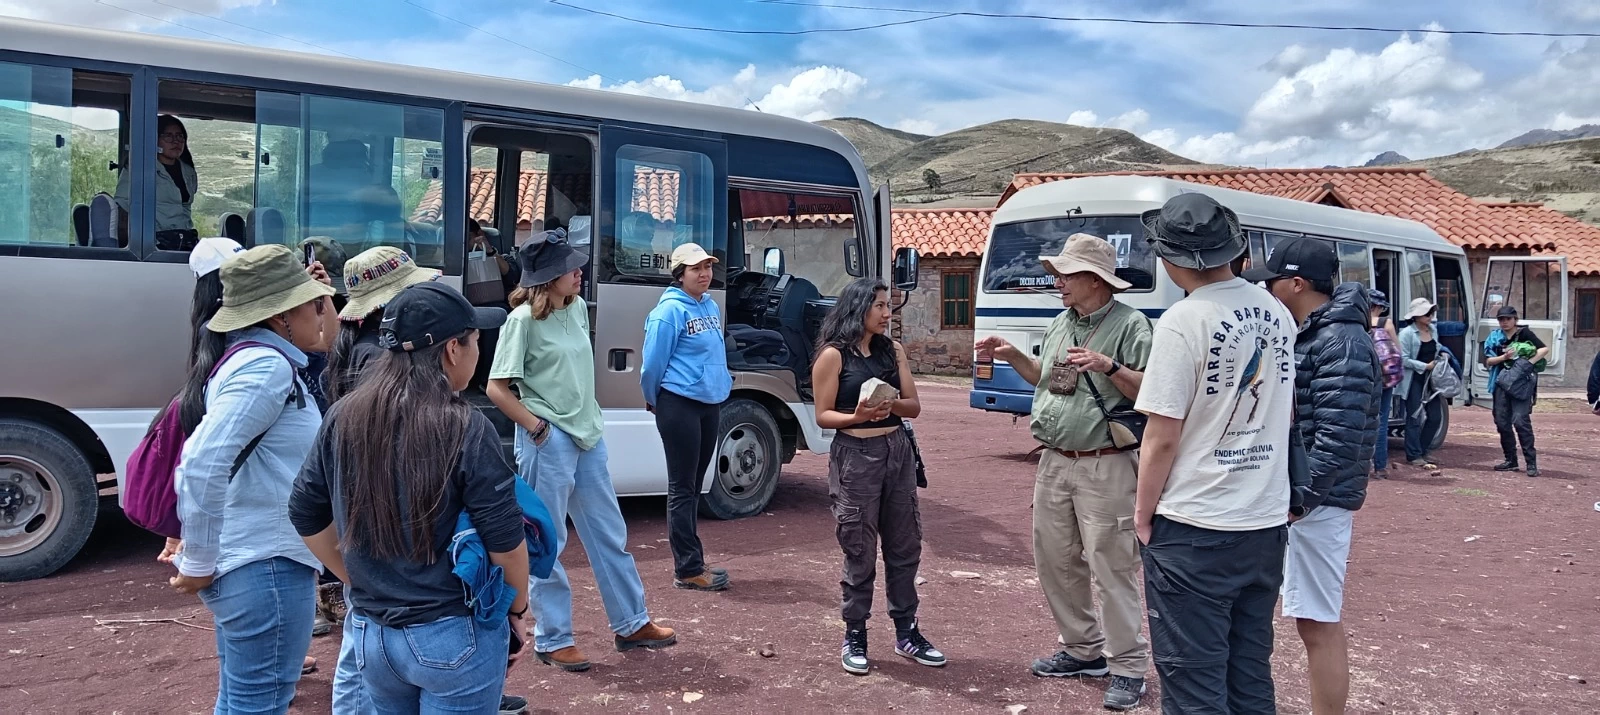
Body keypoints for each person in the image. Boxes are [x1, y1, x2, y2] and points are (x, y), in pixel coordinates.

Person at [289, 282, 531, 712]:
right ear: (453, 349)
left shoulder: (344, 414)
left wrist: (355, 577)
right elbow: (506, 541)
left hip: (373, 635)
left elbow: (304, 510)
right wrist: (515, 609)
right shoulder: (466, 426)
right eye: (476, 341)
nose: (479, 351)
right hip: (451, 634)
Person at [1132, 193, 1297, 714]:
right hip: (1264, 521)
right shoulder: (1275, 310)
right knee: (1249, 670)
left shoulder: (1184, 321)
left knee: (1193, 680)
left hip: (1196, 522)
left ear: (1170, 258)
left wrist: (1142, 513)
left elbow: (1162, 433)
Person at [975, 234, 1152, 710]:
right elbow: (1048, 378)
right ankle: (1082, 650)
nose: (1057, 282)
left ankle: (1128, 666)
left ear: (1095, 280)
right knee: (1055, 560)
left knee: (1111, 566)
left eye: (1065, 274)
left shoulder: (1131, 326)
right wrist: (1011, 354)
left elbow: (1151, 394)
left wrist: (1109, 365)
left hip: (1105, 465)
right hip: (1054, 460)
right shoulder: (1061, 322)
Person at [487, 235, 676, 673]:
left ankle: (631, 623)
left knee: (608, 531)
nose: (580, 272)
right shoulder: (520, 322)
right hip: (548, 440)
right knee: (547, 542)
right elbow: (497, 387)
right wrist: (537, 428)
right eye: (571, 268)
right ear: (548, 277)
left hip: (586, 437)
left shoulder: (573, 307)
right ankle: (553, 639)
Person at [168, 244, 335, 713]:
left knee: (244, 702)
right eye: (313, 301)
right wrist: (197, 559)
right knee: (257, 705)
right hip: (266, 565)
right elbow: (201, 462)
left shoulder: (256, 358)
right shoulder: (265, 367)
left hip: (256, 562)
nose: (320, 311)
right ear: (284, 314)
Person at [1245, 237, 1381, 715]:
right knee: (1310, 619)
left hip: (1319, 503)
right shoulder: (1320, 333)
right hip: (1309, 497)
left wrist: (1299, 500)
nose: (1267, 290)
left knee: (1318, 621)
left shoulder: (1340, 341)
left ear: (1297, 283)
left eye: (1273, 281)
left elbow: (1338, 440)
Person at [812, 277, 944, 676]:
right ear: (859, 309)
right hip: (855, 455)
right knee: (859, 548)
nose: (888, 313)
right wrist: (857, 416)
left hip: (896, 452)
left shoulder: (893, 351)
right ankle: (855, 634)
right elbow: (823, 415)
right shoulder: (833, 356)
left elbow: (914, 407)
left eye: (889, 306)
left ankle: (907, 631)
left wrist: (890, 407)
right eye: (881, 306)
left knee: (905, 546)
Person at [641, 242, 733, 592]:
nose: (705, 273)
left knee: (694, 486)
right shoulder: (668, 312)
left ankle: (693, 561)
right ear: (680, 274)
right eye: (697, 268)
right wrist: (654, 400)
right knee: (682, 488)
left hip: (708, 403)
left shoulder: (709, 306)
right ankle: (688, 568)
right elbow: (652, 365)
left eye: (708, 267)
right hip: (678, 404)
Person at [114, 114, 199, 251]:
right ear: (155, 139)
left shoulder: (189, 172)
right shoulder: (139, 169)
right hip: (153, 244)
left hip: (184, 240)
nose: (175, 141)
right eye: (168, 136)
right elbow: (123, 207)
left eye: (179, 136)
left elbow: (185, 210)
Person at [1483, 306, 1550, 476]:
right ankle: (1511, 460)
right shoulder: (1494, 338)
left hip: (1521, 384)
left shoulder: (1525, 334)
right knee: (1502, 421)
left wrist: (1527, 364)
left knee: (1521, 421)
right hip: (1500, 382)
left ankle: (1531, 463)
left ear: (1515, 319)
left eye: (1508, 319)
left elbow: (1544, 349)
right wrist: (1504, 358)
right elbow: (1488, 361)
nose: (1504, 322)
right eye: (1501, 319)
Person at [1398, 298, 1444, 467]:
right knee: (1414, 417)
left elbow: (1436, 348)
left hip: (1431, 379)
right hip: (1413, 379)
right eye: (1426, 313)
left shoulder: (1433, 330)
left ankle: (1422, 449)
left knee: (1435, 417)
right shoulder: (1407, 334)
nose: (1429, 316)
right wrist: (1425, 366)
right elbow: (1402, 359)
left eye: (1431, 312)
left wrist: (1440, 359)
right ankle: (1413, 454)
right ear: (1416, 316)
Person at [1367, 290, 1403, 480]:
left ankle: (1364, 464)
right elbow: (1398, 352)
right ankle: (1380, 467)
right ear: (1379, 307)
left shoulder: (1359, 323)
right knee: (1381, 420)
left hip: (1365, 376)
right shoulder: (1386, 323)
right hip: (1385, 378)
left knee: (1364, 419)